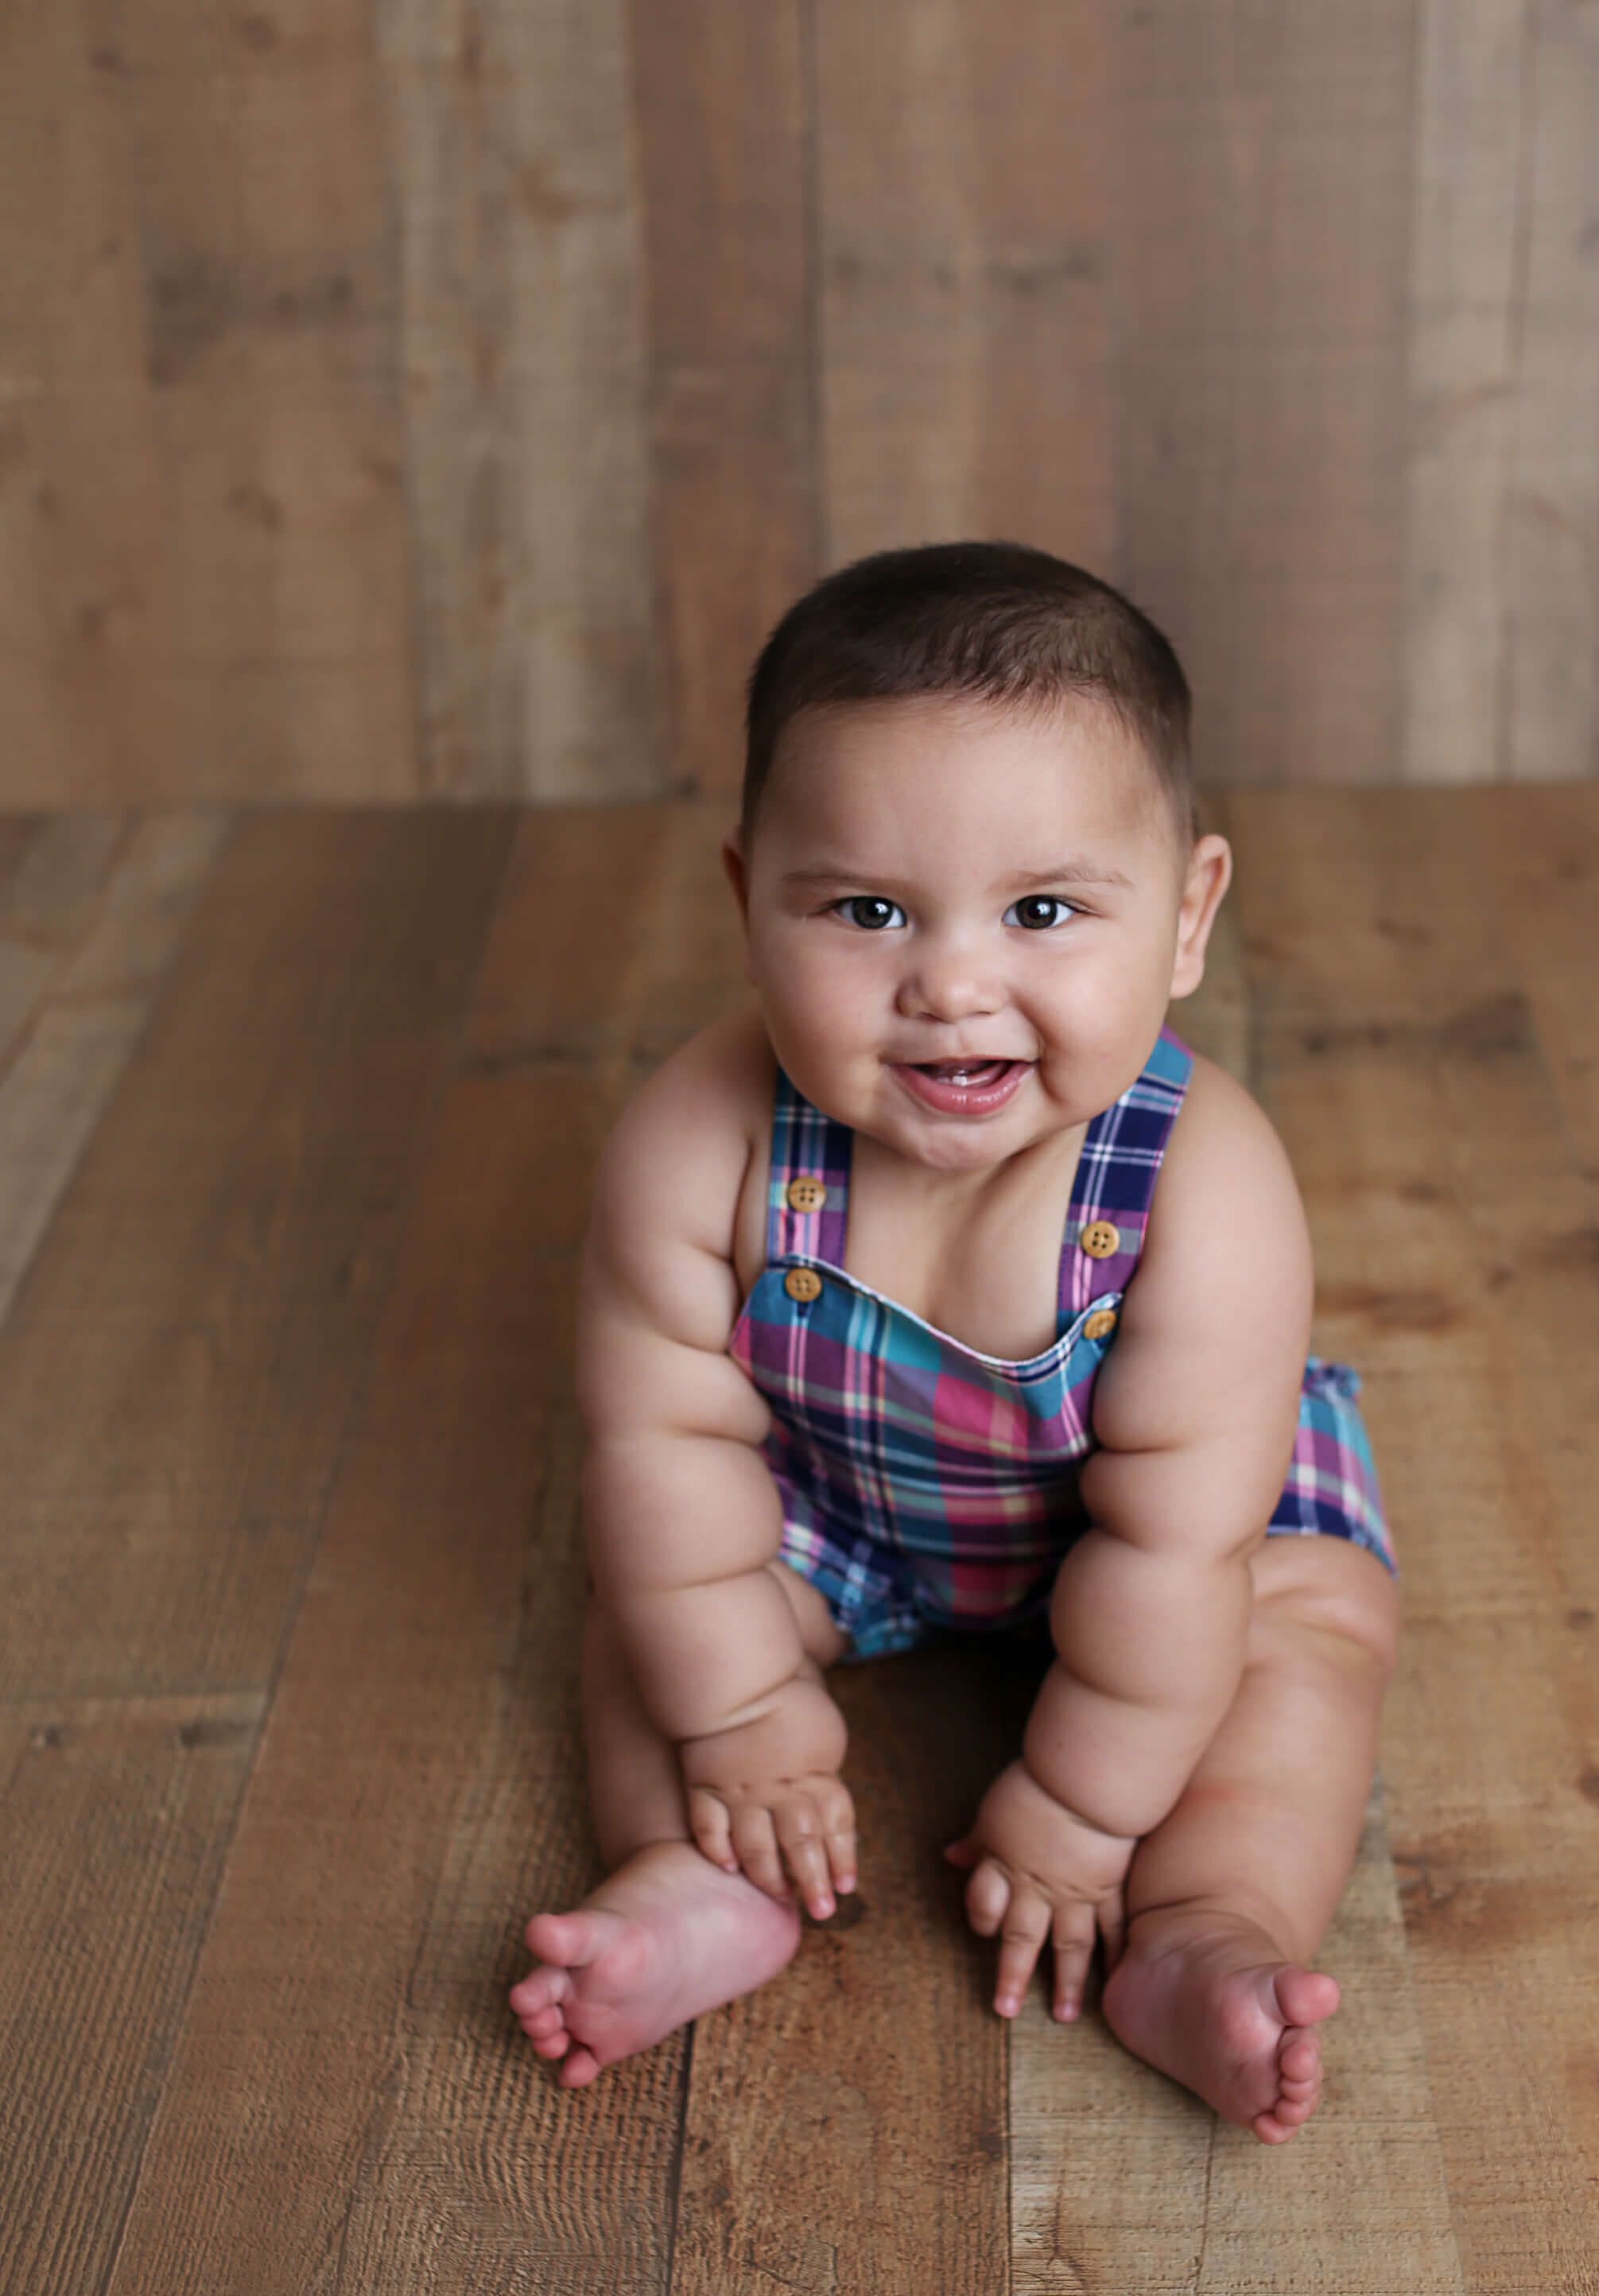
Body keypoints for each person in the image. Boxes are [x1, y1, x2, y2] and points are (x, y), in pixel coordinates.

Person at [510, 543, 1398, 2143]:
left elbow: (1173, 1550)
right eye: (864, 910)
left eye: (1043, 909)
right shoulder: (702, 1138)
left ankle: (1204, 1926)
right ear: (745, 901)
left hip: (1163, 1544)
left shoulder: (1201, 1189)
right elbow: (664, 1442)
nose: (951, 985)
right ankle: (695, 1878)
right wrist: (733, 1710)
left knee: (1310, 1637)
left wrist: (1078, 1809)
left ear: (1186, 915)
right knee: (641, 1615)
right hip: (839, 1504)